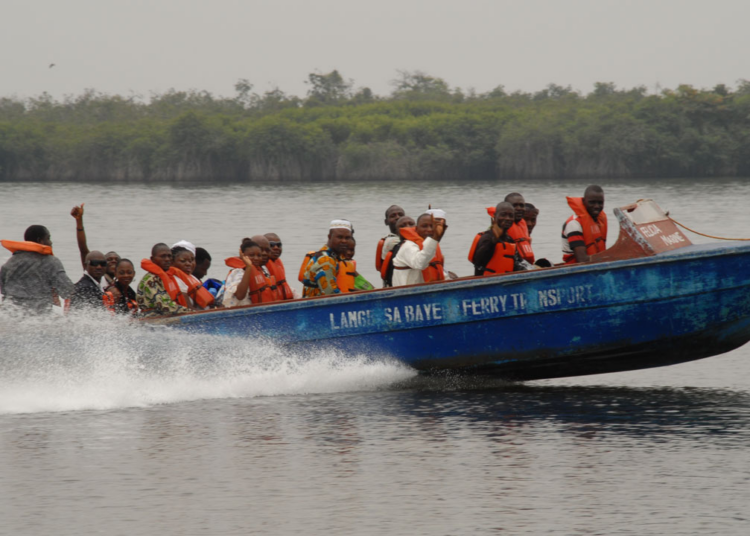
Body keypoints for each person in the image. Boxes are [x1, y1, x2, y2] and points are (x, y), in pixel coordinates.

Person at [1, 225, 75, 314]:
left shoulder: (10, 263)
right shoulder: (52, 262)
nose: (51, 242)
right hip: (38, 315)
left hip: (10, 313)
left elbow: (3, 290)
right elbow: (67, 290)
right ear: (40, 241)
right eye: (48, 238)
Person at [469, 202, 530, 276]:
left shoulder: (509, 239)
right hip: (487, 282)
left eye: (511, 216)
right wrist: (493, 240)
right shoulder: (487, 238)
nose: (507, 218)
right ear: (495, 216)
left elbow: (519, 262)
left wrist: (533, 269)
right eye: (503, 215)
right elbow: (478, 262)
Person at [300, 220, 356, 297]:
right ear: (329, 237)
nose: (344, 241)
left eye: (347, 238)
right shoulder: (326, 261)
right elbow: (331, 294)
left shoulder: (335, 256)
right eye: (340, 237)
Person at [388, 213, 447, 287]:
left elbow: (436, 269)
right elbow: (420, 263)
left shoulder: (429, 245)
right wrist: (435, 238)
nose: (429, 229)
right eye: (424, 226)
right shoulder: (407, 246)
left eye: (432, 226)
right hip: (407, 294)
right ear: (416, 229)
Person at [70, 204, 121, 289]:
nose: (113, 261)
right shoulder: (96, 275)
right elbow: (83, 249)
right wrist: (79, 222)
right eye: (109, 260)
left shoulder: (120, 283)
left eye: (116, 260)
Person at [137, 243, 192, 317]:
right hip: (151, 319)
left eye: (169, 256)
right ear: (152, 259)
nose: (167, 259)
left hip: (163, 317)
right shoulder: (151, 280)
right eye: (163, 256)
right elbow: (165, 306)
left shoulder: (163, 277)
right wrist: (191, 312)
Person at [222, 239, 276, 307]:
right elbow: (240, 295)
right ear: (243, 256)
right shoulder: (238, 272)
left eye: (259, 255)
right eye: (251, 255)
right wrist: (248, 267)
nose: (256, 258)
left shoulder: (261, 272)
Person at [562, 185, 607, 264]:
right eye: (592, 202)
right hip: (576, 271)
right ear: (583, 201)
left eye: (600, 203)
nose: (596, 206)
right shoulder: (574, 224)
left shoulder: (598, 222)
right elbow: (582, 260)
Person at [170, 243, 215, 310]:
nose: (188, 264)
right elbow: (189, 309)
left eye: (191, 260)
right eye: (183, 261)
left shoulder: (192, 278)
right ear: (172, 262)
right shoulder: (176, 280)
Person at [504, 193, 535, 264]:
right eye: (514, 206)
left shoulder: (522, 224)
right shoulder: (501, 229)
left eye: (521, 205)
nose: (519, 208)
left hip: (525, 266)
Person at [376, 205, 406, 275]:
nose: (398, 217)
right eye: (393, 216)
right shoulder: (392, 241)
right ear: (386, 222)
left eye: (401, 215)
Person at [263, 233, 295, 300]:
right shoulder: (261, 266)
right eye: (271, 245)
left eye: (279, 245)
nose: (276, 247)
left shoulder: (278, 263)